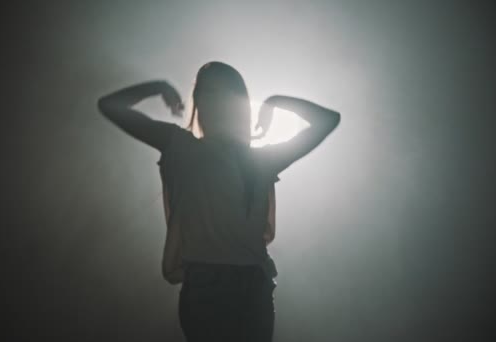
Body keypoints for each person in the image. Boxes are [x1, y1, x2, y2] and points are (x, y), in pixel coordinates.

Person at [97, 61, 340, 342]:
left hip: (240, 290)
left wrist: (275, 101)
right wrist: (158, 87)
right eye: (205, 92)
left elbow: (329, 120)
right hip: (218, 290)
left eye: (219, 92)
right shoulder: (183, 146)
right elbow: (110, 106)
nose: (211, 100)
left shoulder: (254, 159)